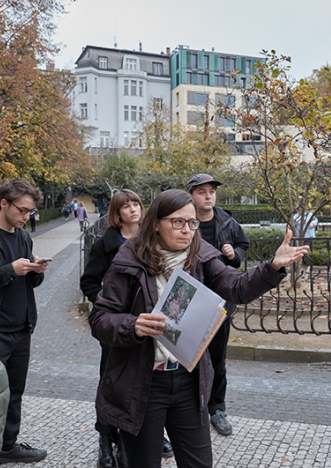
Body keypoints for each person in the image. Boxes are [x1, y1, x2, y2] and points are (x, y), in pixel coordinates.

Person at [88, 189, 308, 468]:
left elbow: (236, 287)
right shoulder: (129, 259)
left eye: (192, 223)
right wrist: (133, 325)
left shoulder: (201, 255)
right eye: (178, 222)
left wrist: (272, 267)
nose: (187, 230)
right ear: (156, 222)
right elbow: (99, 319)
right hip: (142, 383)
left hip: (188, 381)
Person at [81, 190, 172, 467]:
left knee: (147, 381)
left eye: (136, 204)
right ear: (117, 213)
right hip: (118, 328)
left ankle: (150, 434)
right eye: (126, 206)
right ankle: (106, 441)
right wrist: (112, 307)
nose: (133, 210)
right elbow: (89, 283)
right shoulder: (106, 244)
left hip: (151, 329)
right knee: (113, 383)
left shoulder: (154, 241)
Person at [187, 174, 250, 436]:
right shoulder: (182, 221)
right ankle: (188, 408)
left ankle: (216, 408)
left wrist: (235, 255)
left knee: (217, 359)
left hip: (220, 301)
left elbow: (243, 245)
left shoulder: (227, 221)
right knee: (186, 356)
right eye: (202, 192)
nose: (208, 196)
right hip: (189, 300)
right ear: (191, 195)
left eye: (211, 191)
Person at [0, 178, 49, 464]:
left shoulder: (22, 237)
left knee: (15, 391)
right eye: (22, 210)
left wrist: (35, 270)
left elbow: (30, 282)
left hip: (22, 328)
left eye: (30, 212)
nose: (26, 217)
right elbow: (7, 273)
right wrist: (9, 269)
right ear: (3, 203)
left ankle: (8, 447)